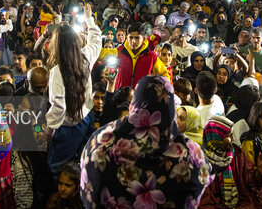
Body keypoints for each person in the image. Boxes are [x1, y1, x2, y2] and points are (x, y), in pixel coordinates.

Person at [80, 75, 213, 208]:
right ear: (171, 107)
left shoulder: (102, 142)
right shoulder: (192, 155)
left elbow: (90, 191)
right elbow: (200, 183)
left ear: (135, 104)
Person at [46, 3, 101, 174]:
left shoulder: (57, 71)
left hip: (69, 126)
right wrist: (90, 20)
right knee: (82, 158)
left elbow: (59, 106)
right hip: (86, 118)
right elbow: (96, 39)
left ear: (57, 45)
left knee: (57, 166)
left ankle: (62, 198)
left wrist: (49, 131)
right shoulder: (86, 56)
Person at [199, 115, 262, 208]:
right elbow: (204, 199)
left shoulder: (236, 153)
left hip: (240, 203)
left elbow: (248, 179)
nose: (233, 139)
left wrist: (259, 173)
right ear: (216, 137)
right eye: (229, 135)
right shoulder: (201, 161)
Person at [100, 22, 168, 89]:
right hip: (120, 97)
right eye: (131, 38)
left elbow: (165, 76)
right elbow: (101, 53)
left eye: (137, 38)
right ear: (127, 38)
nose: (133, 41)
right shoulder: (119, 51)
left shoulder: (151, 57)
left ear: (143, 39)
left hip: (141, 98)